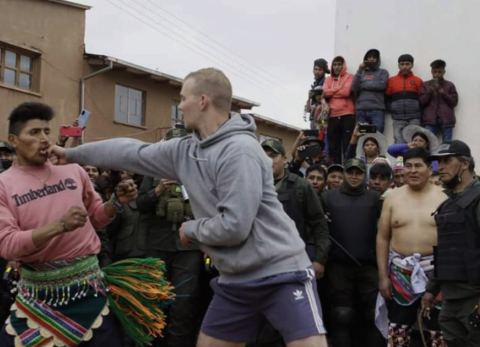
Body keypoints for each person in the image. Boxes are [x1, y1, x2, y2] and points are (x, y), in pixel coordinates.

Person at [51, 68, 328, 347]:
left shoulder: (240, 151)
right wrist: (71, 154)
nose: (180, 105)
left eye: (184, 98)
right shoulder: (185, 150)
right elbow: (130, 152)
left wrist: (192, 228)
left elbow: (235, 227)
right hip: (235, 281)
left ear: (203, 101)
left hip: (281, 273)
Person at [0, 102, 168, 347]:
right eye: (34, 133)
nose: (44, 139)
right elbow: (8, 245)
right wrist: (59, 226)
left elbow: (98, 217)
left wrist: (115, 202)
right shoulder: (4, 184)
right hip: (38, 298)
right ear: (13, 140)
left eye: (47, 131)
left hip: (89, 290)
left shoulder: (72, 170)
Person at [377, 148, 447, 346]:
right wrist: (383, 277)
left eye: (418, 166)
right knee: (398, 329)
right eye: (408, 166)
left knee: (439, 331)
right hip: (400, 272)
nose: (413, 170)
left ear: (429, 169)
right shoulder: (391, 197)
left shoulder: (443, 196)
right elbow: (382, 238)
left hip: (436, 272)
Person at [321, 158, 385, 347]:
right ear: (345, 174)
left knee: (374, 313)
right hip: (338, 266)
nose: (354, 176)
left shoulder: (375, 198)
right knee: (342, 314)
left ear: (364, 175)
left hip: (369, 265)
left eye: (358, 172)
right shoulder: (328, 198)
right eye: (350, 172)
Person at [422, 140, 480, 347]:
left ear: (464, 164)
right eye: (438, 162)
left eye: (447, 160)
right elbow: (446, 250)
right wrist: (431, 289)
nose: (441, 167)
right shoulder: (447, 205)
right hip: (451, 297)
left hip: (474, 297)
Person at [323, 56, 355, 164]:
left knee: (347, 145)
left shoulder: (350, 77)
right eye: (335, 64)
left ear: (343, 65)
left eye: (339, 64)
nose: (337, 67)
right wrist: (338, 89)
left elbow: (346, 92)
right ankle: (336, 169)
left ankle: (348, 168)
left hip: (347, 115)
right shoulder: (328, 79)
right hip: (332, 115)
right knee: (333, 146)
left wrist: (331, 92)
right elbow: (325, 93)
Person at [386, 54, 423, 143]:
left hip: (414, 117)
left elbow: (422, 98)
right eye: (402, 64)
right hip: (398, 118)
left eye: (407, 64)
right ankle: (400, 157)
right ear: (398, 66)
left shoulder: (418, 80)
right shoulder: (391, 80)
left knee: (414, 140)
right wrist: (391, 108)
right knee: (398, 140)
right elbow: (386, 97)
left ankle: (414, 157)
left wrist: (418, 109)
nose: (405, 67)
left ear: (412, 65)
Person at [419, 59, 458, 143]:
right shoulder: (425, 85)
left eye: (439, 72)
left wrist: (443, 93)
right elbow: (421, 102)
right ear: (431, 72)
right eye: (434, 72)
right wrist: (429, 92)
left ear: (444, 72)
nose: (437, 74)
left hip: (446, 120)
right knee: (427, 144)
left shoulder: (449, 85)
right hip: (429, 120)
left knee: (447, 145)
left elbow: (454, 103)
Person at [352, 49, 389, 133]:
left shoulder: (383, 72)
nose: (371, 59)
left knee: (377, 135)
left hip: (377, 109)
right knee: (361, 136)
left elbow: (381, 85)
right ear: (365, 59)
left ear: (378, 59)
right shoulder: (361, 72)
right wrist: (359, 70)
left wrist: (363, 85)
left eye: (374, 57)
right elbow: (354, 87)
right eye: (369, 57)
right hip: (361, 110)